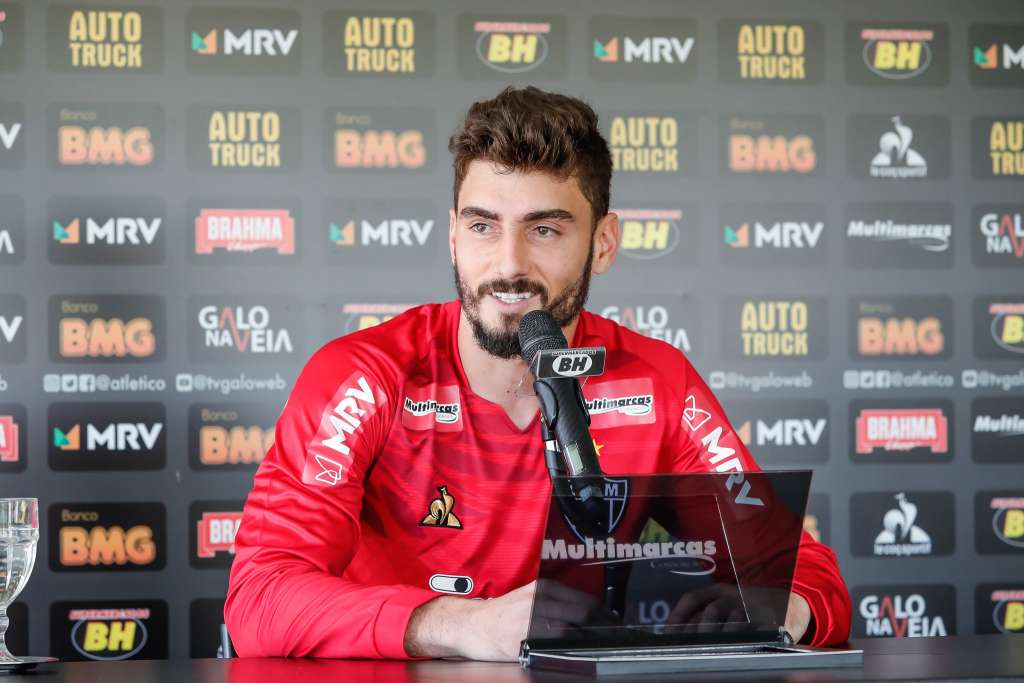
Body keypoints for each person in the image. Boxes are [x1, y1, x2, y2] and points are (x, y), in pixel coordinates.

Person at [224, 86, 851, 661]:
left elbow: (804, 575)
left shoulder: (655, 381)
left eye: (544, 229)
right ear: (451, 236)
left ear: (602, 244)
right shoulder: (365, 375)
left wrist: (777, 608)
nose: (508, 265)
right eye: (482, 227)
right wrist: (464, 626)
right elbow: (259, 599)